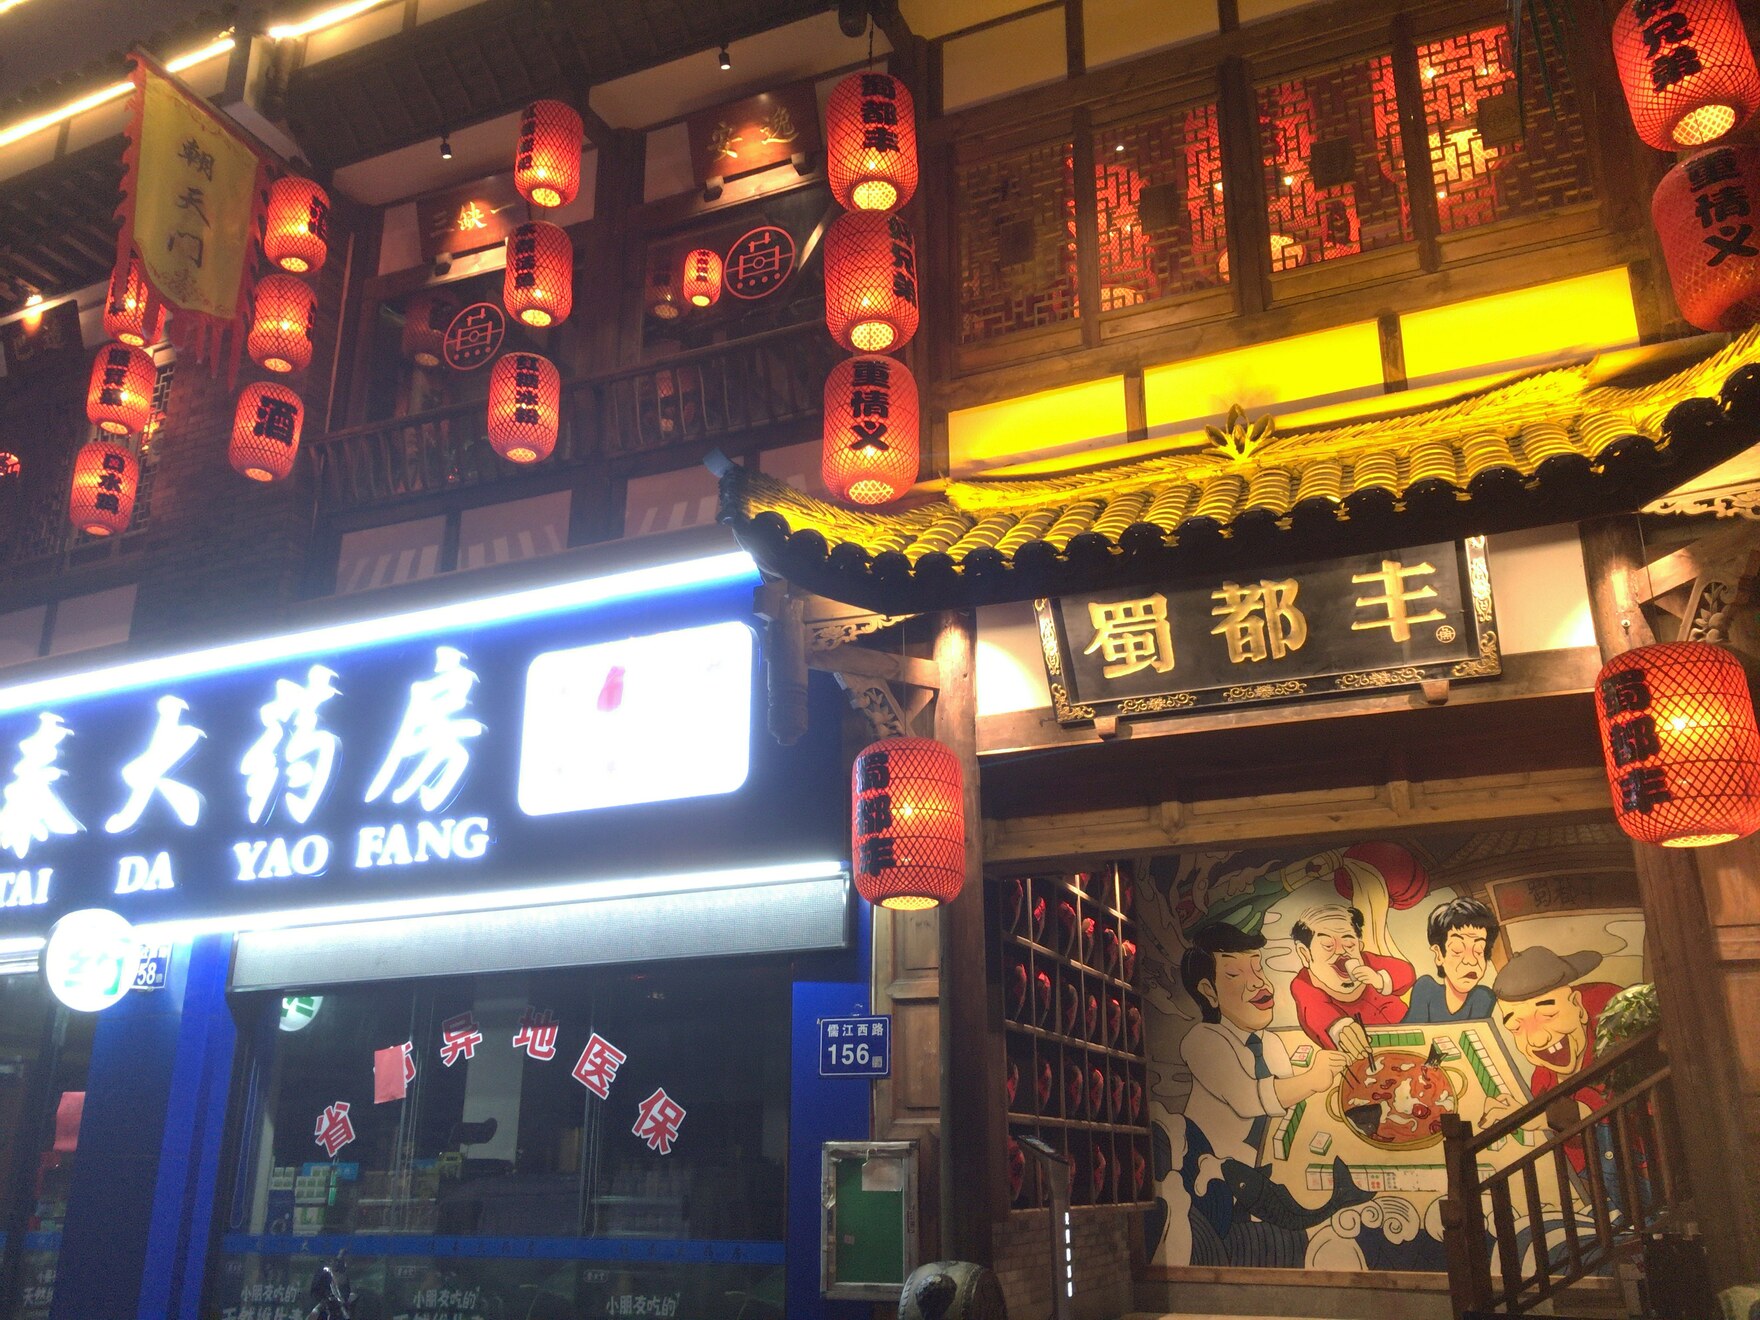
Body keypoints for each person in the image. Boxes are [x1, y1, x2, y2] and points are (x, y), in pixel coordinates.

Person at [1165, 922, 1368, 1267]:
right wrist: (1312, 1078)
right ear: (1209, 991)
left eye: (1257, 968)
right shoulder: (1202, 1041)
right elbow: (1250, 1098)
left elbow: (1286, 1100)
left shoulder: (1269, 1042)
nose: (1259, 983)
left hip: (1264, 1168)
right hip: (1216, 1186)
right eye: (1235, 974)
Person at [1288, 903, 1415, 1056]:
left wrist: (1379, 980)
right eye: (1328, 945)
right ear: (1305, 954)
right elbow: (1316, 1013)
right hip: (1363, 1049)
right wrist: (1341, 1029)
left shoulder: (1368, 962)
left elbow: (1406, 972)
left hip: (1405, 1029)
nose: (1341, 951)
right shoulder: (1304, 984)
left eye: (1349, 944)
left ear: (1359, 945)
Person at [1406, 896, 1499, 1023]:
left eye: (1478, 950)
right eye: (1457, 950)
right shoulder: (1426, 989)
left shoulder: (1484, 998)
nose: (1471, 961)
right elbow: (1409, 1031)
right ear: (1439, 954)